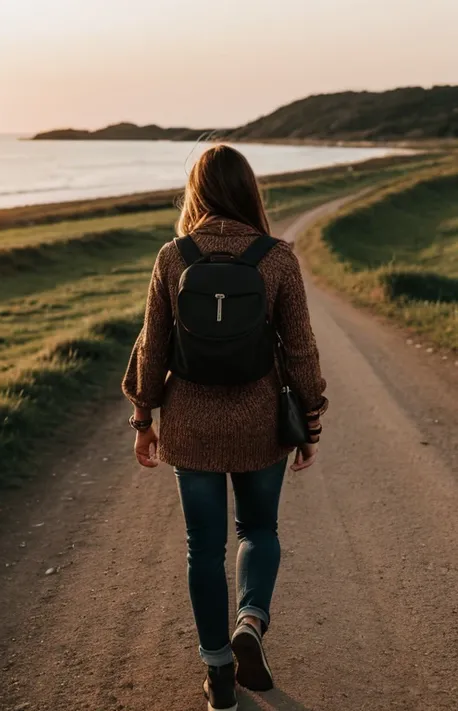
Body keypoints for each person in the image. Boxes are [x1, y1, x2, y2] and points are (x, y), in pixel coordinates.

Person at [122, 144, 327, 711]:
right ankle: (251, 622)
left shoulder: (173, 256)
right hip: (261, 424)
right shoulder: (277, 257)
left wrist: (143, 417)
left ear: (196, 191)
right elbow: (303, 351)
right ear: (248, 191)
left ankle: (216, 672)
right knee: (258, 531)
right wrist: (310, 419)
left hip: (190, 424)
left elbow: (152, 346)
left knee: (202, 550)